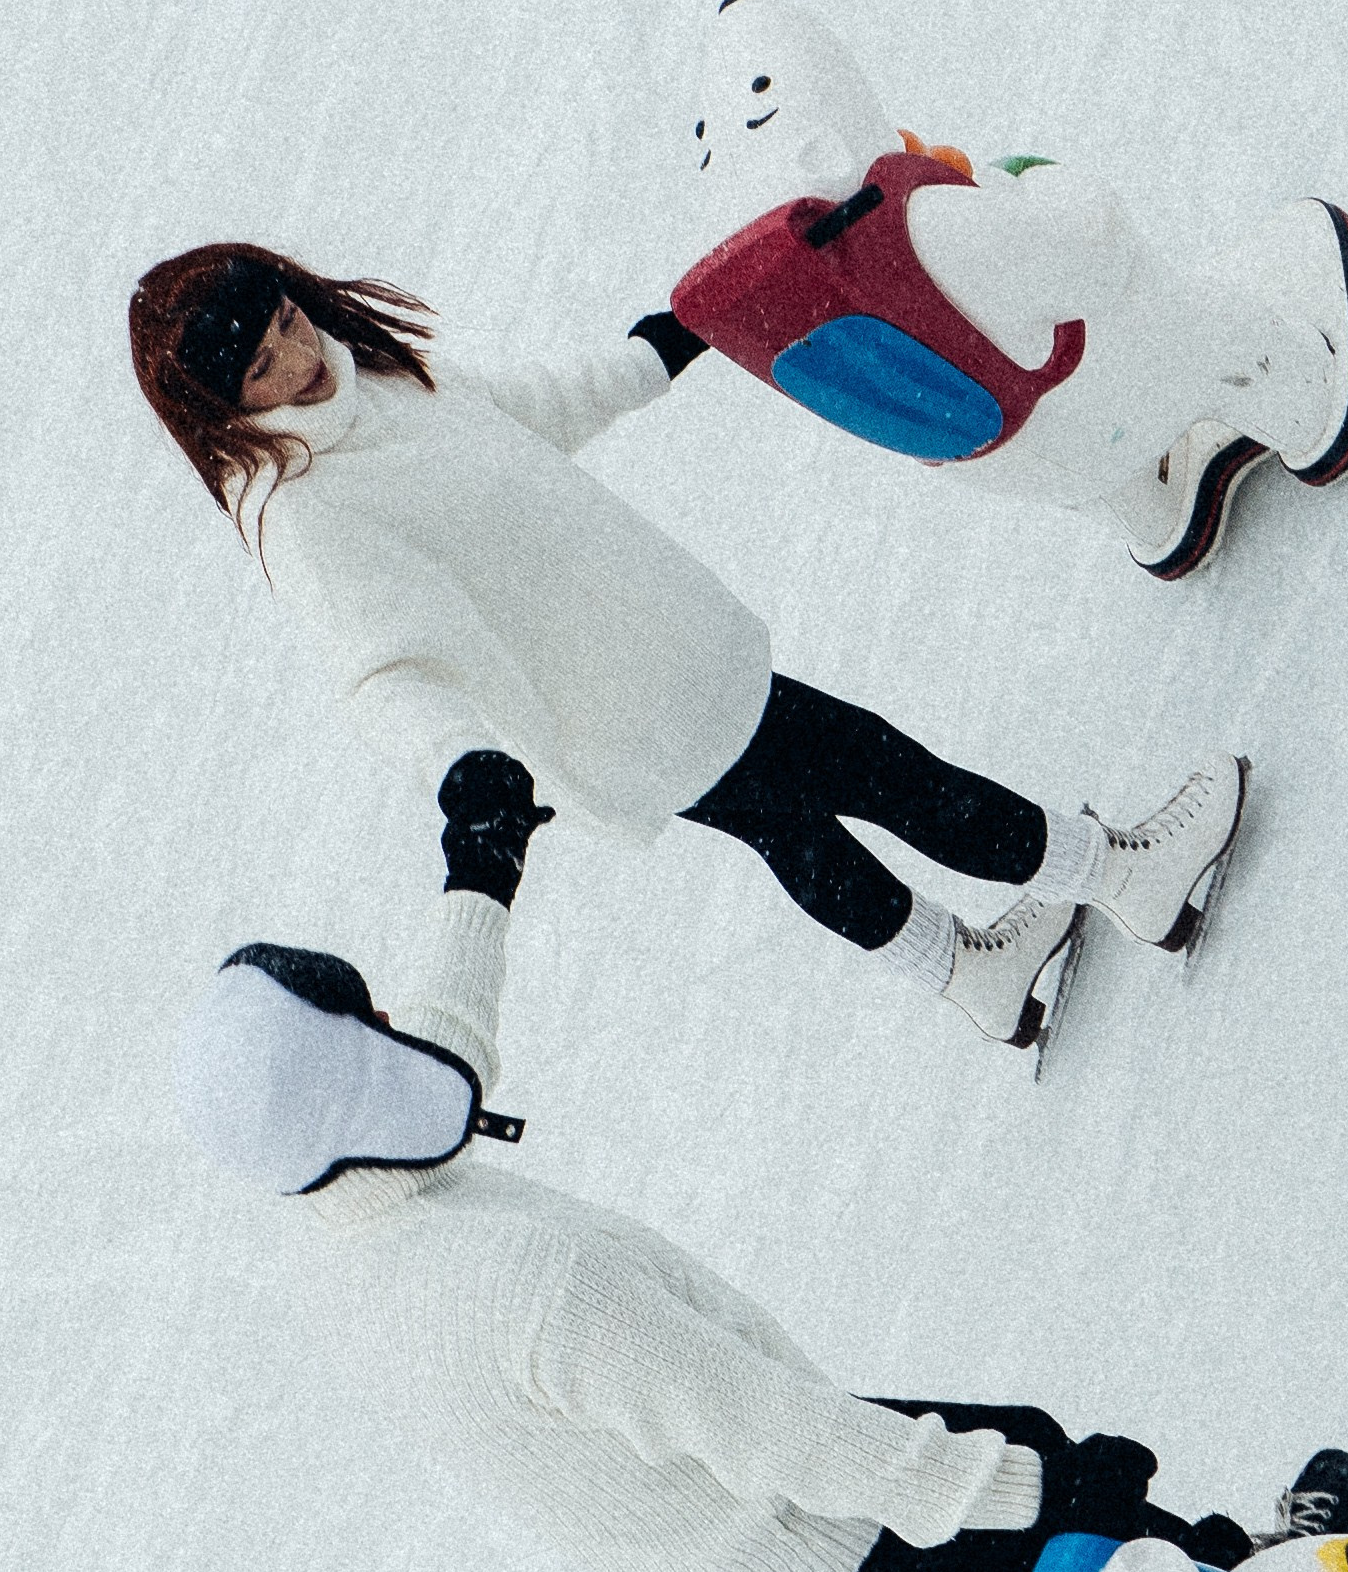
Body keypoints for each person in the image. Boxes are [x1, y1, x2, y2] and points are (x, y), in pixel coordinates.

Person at [170, 764, 1348, 1572]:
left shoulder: (345, 1213)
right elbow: (777, 1435)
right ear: (356, 1085)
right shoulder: (518, 1288)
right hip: (795, 1541)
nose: (395, 1030)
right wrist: (1040, 1490)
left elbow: (439, 1057)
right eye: (371, 1033)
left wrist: (480, 875)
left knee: (1054, 1505)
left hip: (731, 1540)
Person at [128, 245, 1250, 1059]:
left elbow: (537, 411)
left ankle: (974, 972)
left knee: (798, 828)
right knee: (880, 769)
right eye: (260, 366)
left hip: (659, 645)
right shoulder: (304, 511)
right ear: (223, 409)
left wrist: (659, 348)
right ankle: (1120, 873)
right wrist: (458, 763)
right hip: (624, 702)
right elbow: (381, 668)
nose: (291, 352)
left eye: (277, 317)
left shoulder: (376, 379)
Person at [658, 0, 1348, 580]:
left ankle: (1154, 510)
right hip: (1115, 381)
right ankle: (1304, 399)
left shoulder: (776, 303)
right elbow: (1097, 257)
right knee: (1201, 334)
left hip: (1026, 465)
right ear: (821, 147)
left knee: (1086, 448)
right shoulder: (927, 224)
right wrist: (1026, 177)